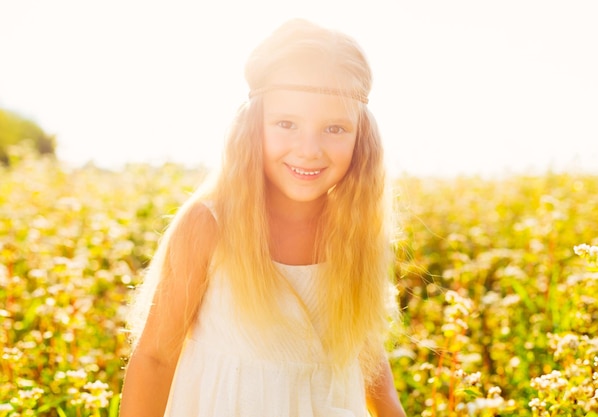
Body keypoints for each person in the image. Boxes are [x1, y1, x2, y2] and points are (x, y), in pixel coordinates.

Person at [119, 18, 406, 417]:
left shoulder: (353, 233)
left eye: (335, 128)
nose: (309, 150)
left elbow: (367, 359)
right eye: (286, 124)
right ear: (254, 126)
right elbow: (155, 359)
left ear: (363, 139)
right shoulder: (209, 225)